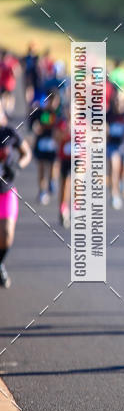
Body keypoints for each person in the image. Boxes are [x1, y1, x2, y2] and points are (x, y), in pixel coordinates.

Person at [0, 102, 32, 286]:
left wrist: (18, 165)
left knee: (6, 233)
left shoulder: (9, 133)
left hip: (6, 190)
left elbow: (26, 153)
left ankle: (0, 264)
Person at [30, 89, 61, 204]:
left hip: (54, 143)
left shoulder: (59, 113)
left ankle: (52, 181)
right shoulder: (40, 112)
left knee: (54, 165)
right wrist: (35, 128)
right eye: (51, 100)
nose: (53, 103)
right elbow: (33, 124)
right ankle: (42, 191)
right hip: (42, 142)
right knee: (42, 166)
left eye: (55, 101)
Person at [106, 92, 124, 210]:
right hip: (112, 145)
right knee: (114, 167)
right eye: (116, 101)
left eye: (120, 101)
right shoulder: (109, 115)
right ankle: (114, 194)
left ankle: (122, 181)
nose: (118, 103)